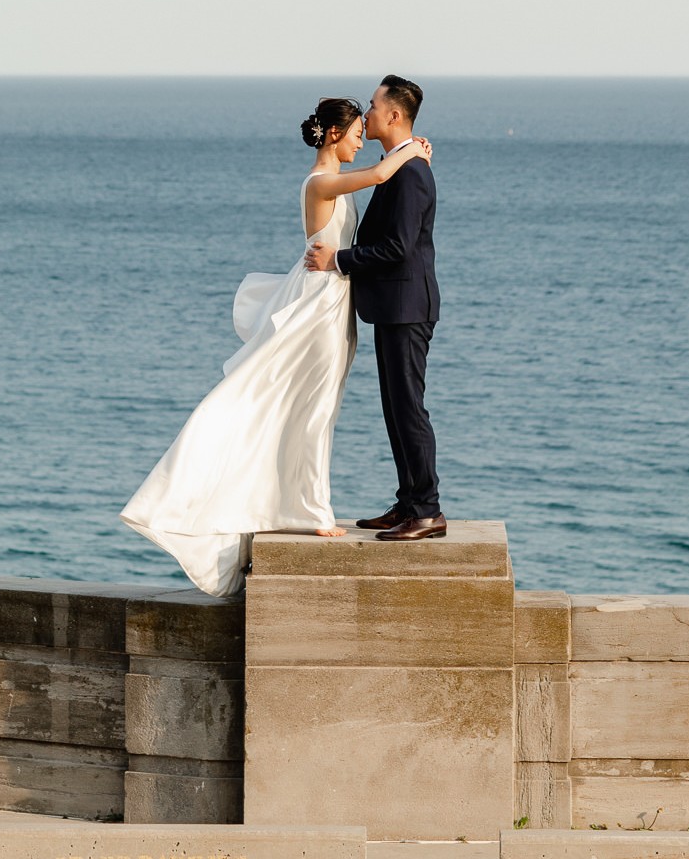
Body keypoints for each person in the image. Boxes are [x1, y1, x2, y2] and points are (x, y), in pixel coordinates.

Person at [118, 96, 432, 597]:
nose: (360, 138)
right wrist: (412, 148)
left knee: (318, 407)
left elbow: (375, 187)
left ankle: (302, 503)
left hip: (335, 303)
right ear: (333, 135)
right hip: (320, 308)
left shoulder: (335, 180)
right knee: (311, 408)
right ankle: (312, 510)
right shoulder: (321, 182)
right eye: (354, 132)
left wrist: (409, 153)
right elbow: (376, 177)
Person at [305, 74, 444, 540]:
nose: (366, 113)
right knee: (395, 408)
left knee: (409, 409)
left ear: (394, 115)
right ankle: (408, 503)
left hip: (407, 306)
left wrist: (338, 260)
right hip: (393, 305)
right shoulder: (399, 165)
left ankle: (426, 510)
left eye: (373, 104)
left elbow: (399, 248)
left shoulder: (411, 173)